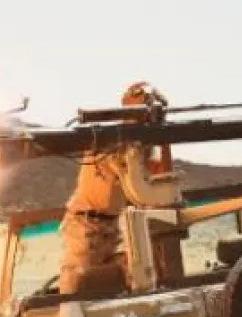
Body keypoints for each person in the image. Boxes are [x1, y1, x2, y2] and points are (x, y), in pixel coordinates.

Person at [56, 83, 166, 293]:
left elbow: (145, 185)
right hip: (86, 226)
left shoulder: (139, 146)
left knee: (138, 272)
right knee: (76, 291)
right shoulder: (110, 140)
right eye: (147, 109)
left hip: (109, 227)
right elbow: (138, 187)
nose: (151, 117)